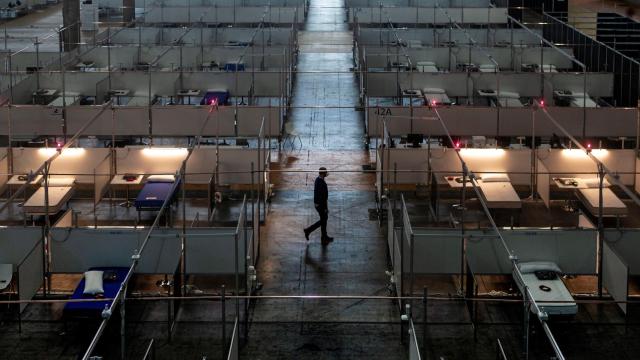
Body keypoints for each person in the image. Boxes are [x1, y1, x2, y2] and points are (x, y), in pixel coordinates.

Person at [303, 167, 333, 244]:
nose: (326, 174)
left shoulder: (318, 180)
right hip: (321, 205)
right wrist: (325, 208)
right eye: (325, 172)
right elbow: (322, 197)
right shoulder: (321, 182)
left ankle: (324, 236)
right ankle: (308, 230)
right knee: (323, 220)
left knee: (324, 220)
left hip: (318, 204)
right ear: (323, 173)